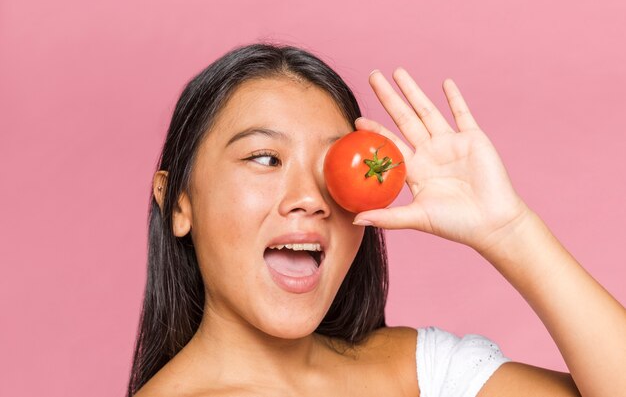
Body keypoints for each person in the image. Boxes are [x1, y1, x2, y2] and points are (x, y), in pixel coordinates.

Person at [127, 43, 626, 397]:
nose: (310, 198)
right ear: (178, 204)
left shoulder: (422, 371)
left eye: (331, 167)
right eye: (264, 158)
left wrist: (509, 231)